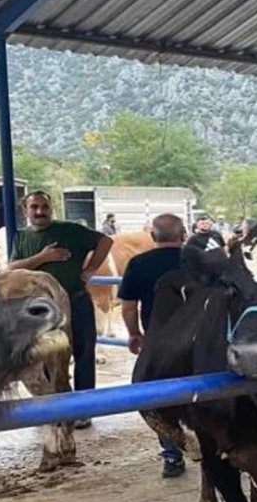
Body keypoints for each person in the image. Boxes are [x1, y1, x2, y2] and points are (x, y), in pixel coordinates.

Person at [10, 191, 113, 429]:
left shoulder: (70, 230)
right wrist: (42, 257)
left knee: (83, 353)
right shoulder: (21, 237)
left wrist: (90, 269)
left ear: (51, 208)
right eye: (34, 207)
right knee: (45, 356)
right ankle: (53, 408)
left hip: (75, 300)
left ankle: (84, 409)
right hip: (41, 309)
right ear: (25, 210)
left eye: (44, 206)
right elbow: (11, 268)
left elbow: (106, 241)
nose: (40, 211)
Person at [117, 213, 189, 478]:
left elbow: (128, 307)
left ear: (152, 236)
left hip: (158, 342)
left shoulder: (139, 263)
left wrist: (134, 333)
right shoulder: (199, 261)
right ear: (183, 235)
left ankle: (172, 455)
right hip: (200, 340)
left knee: (157, 397)